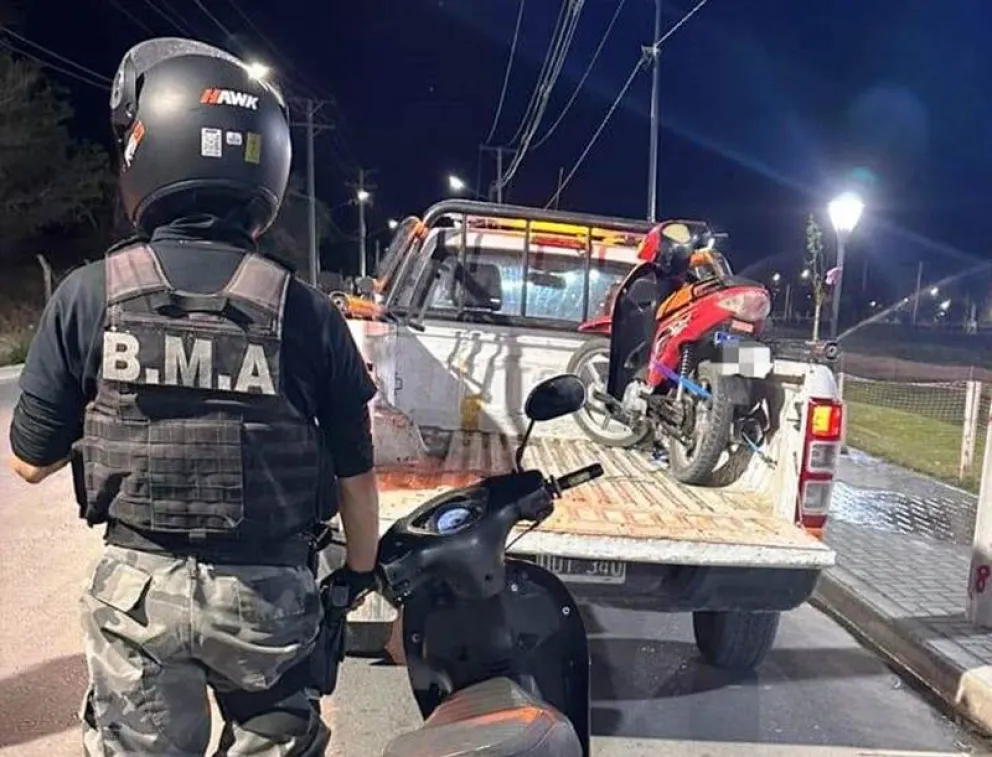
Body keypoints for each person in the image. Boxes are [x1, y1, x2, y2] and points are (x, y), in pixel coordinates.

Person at [7, 38, 380, 756]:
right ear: (267, 171)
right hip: (268, 599)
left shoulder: (88, 294)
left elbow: (30, 463)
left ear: (147, 154)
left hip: (137, 596)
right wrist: (359, 574)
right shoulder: (308, 312)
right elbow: (356, 476)